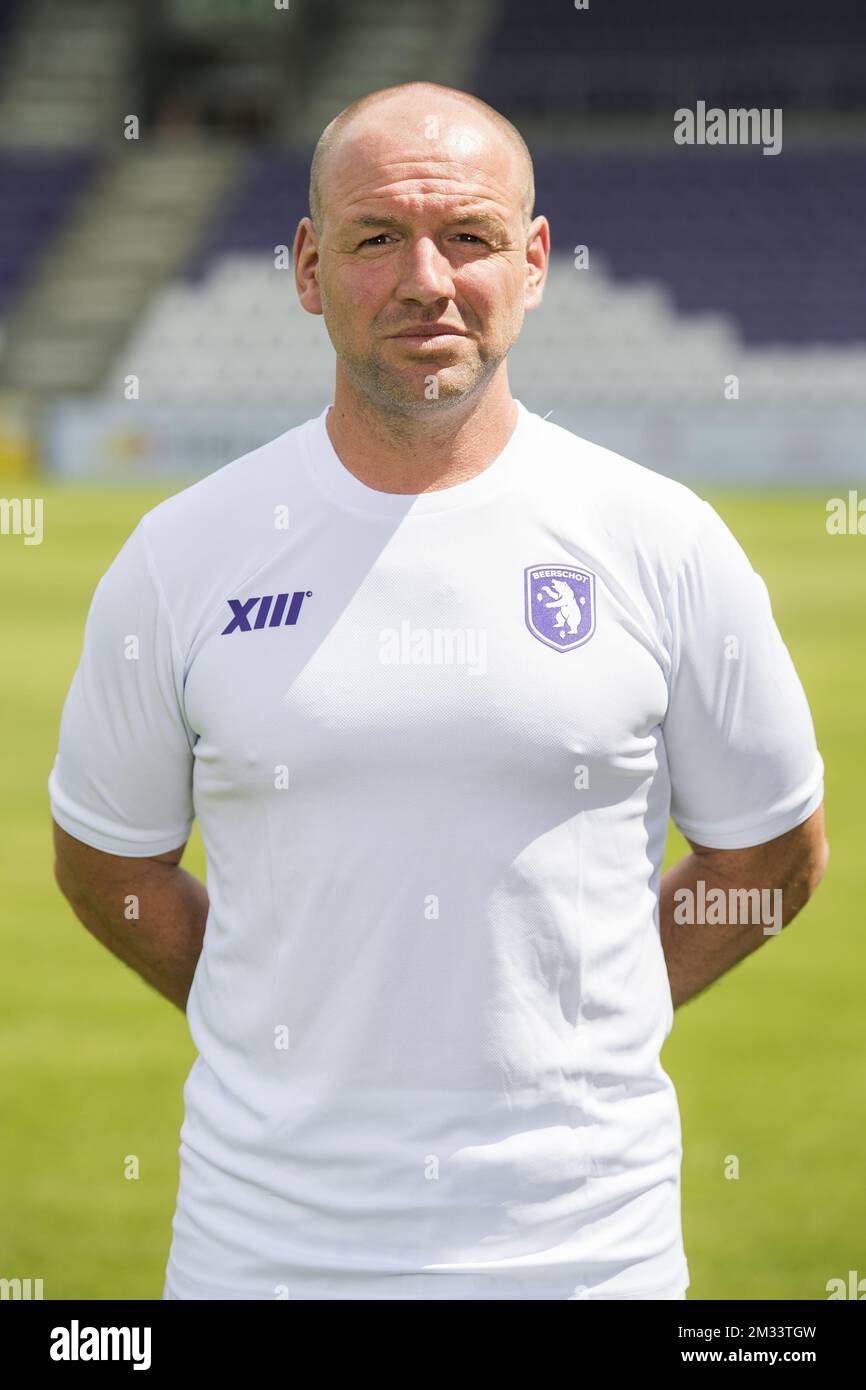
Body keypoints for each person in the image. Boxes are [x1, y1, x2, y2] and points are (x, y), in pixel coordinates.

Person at [49, 81, 828, 1301]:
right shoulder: (182, 553)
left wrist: (594, 1018)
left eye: (466, 236)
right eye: (375, 238)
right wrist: (276, 1011)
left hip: (585, 1259)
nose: (426, 278)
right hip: (263, 1260)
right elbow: (108, 864)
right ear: (309, 268)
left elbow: (771, 856)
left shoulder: (661, 541)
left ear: (531, 262)